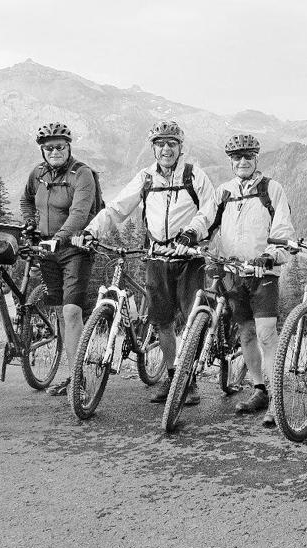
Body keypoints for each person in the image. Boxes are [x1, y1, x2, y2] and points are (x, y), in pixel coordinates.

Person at [73, 120, 217, 403]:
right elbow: (118, 208)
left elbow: (209, 210)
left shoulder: (193, 175)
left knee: (192, 320)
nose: (166, 149)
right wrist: (91, 231)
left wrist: (191, 233)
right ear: (153, 149)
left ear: (180, 148)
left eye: (171, 144)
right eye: (160, 144)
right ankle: (174, 375)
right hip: (157, 257)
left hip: (189, 258)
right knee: (162, 321)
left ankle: (189, 381)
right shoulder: (147, 178)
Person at [210, 134, 296, 427]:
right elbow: (206, 222)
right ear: (231, 161)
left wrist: (270, 256)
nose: (243, 161)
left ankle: (276, 398)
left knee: (267, 335)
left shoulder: (271, 189)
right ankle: (259, 389)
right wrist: (191, 237)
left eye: (248, 156)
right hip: (234, 273)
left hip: (263, 274)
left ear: (256, 158)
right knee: (246, 334)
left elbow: (282, 229)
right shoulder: (224, 192)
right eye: (237, 157)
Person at [19, 122, 100, 396]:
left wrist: (61, 237)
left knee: (71, 311)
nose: (55, 151)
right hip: (47, 249)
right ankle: (73, 373)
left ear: (68, 147)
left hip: (74, 248)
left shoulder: (82, 173)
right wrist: (30, 223)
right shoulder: (38, 173)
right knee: (59, 313)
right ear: (43, 150)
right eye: (49, 147)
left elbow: (80, 212)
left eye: (60, 147)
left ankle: (78, 381)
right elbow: (26, 200)